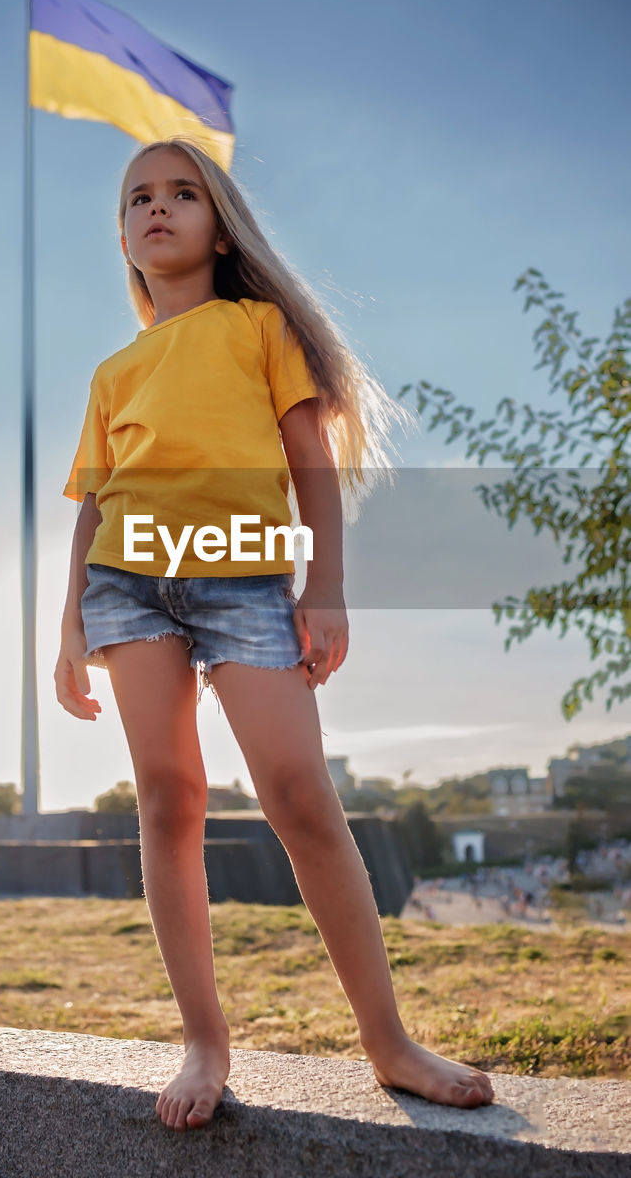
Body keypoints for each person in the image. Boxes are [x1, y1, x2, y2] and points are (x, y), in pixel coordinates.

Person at [54, 136, 494, 1131]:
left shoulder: (258, 327)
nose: (156, 208)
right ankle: (203, 1039)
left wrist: (324, 586)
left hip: (243, 579)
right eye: (137, 199)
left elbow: (308, 456)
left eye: (180, 193)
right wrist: (65, 629)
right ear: (123, 237)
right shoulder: (112, 372)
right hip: (129, 595)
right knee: (170, 797)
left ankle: (387, 1040)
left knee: (298, 789)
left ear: (219, 226)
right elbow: (90, 507)